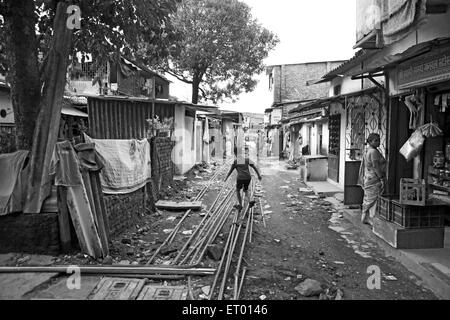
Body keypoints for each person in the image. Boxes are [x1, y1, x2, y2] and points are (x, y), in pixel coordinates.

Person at [358, 133, 386, 225]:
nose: (378, 142)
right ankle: (369, 217)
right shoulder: (373, 152)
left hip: (368, 178)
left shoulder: (368, 150)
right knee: (373, 199)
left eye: (379, 140)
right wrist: (381, 178)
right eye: (376, 140)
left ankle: (365, 216)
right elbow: (375, 166)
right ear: (370, 142)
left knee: (368, 198)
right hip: (374, 178)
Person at [224, 145, 262, 211]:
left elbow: (230, 171)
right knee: (245, 190)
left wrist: (226, 178)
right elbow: (254, 167)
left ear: (235, 153)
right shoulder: (246, 159)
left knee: (238, 190)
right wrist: (259, 175)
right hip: (248, 177)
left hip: (240, 178)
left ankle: (240, 205)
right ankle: (250, 200)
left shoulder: (235, 162)